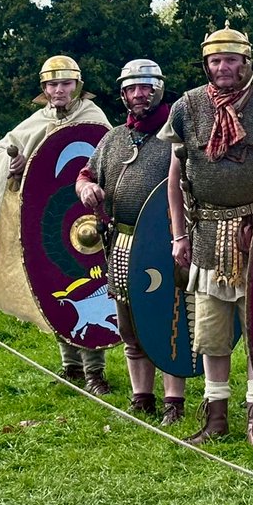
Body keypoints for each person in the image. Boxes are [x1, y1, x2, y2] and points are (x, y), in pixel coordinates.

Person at [163, 23, 253, 448]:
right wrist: (178, 235)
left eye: (230, 60)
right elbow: (175, 174)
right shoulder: (187, 107)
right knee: (212, 335)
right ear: (207, 64)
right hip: (205, 234)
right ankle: (216, 418)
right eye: (216, 60)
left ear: (245, 63)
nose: (223, 67)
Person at [0, 55, 114, 395]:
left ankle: (94, 372)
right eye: (52, 84)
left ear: (78, 86)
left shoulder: (93, 118)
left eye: (65, 83)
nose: (59, 90)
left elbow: (109, 162)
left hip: (89, 220)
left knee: (90, 291)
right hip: (52, 222)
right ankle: (70, 365)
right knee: (55, 286)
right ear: (44, 89)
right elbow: (1, 151)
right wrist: (17, 164)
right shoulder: (38, 120)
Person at [74, 59, 187, 420]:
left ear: (159, 89)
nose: (139, 94)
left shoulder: (176, 133)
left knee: (169, 320)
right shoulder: (113, 139)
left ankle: (174, 400)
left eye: (146, 87)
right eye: (132, 88)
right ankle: (142, 397)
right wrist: (88, 188)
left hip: (167, 241)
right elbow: (85, 174)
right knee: (131, 327)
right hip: (122, 243)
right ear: (123, 94)